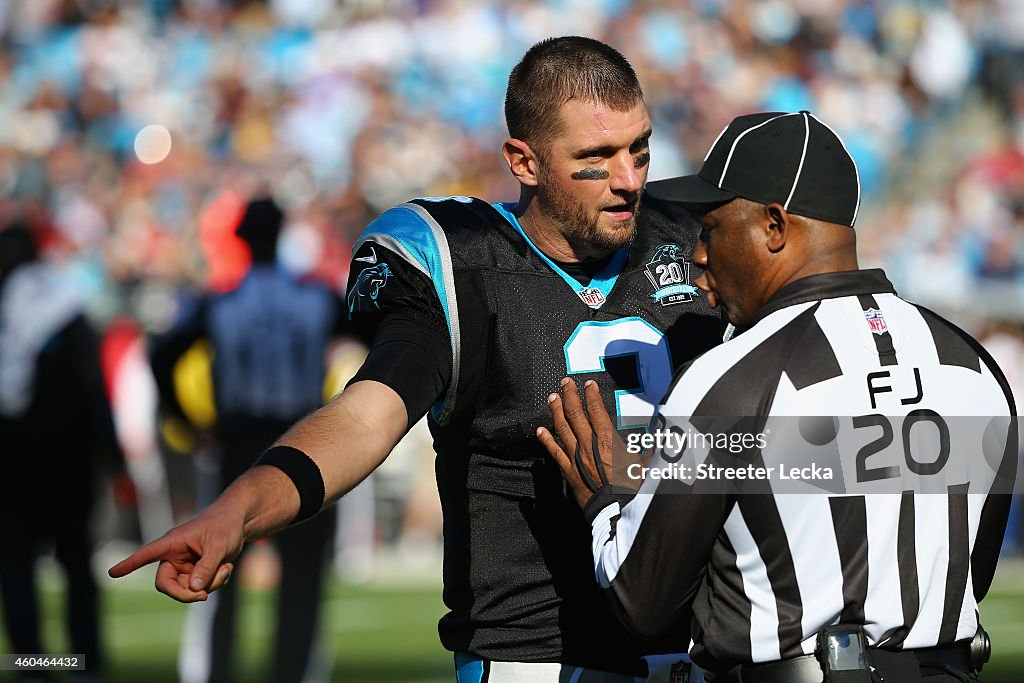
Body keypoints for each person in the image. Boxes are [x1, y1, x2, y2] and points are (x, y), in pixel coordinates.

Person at [109, 36, 724, 681]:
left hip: (694, 654)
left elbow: (811, 437)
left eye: (640, 150)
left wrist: (676, 457)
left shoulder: (698, 240)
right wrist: (236, 511)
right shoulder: (463, 262)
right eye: (595, 158)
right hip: (532, 657)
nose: (629, 179)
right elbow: (364, 417)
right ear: (524, 161)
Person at [538, 111, 1019, 683]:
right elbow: (967, 575)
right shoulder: (973, 365)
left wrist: (607, 498)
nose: (697, 256)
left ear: (773, 226)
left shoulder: (733, 380)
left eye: (712, 229)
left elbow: (642, 603)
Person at [147, 196, 347, 683]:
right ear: (281, 234)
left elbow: (162, 354)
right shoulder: (316, 297)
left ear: (240, 237)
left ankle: (216, 671)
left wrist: (186, 418)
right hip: (301, 442)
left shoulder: (220, 300)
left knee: (215, 567)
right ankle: (291, 673)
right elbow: (376, 338)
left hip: (239, 441)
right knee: (302, 578)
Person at [0, 219, 131, 683]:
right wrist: (112, 454)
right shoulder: (64, 304)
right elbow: (93, 388)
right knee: (75, 560)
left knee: (17, 566)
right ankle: (83, 661)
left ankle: (34, 664)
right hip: (69, 459)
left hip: (13, 463)